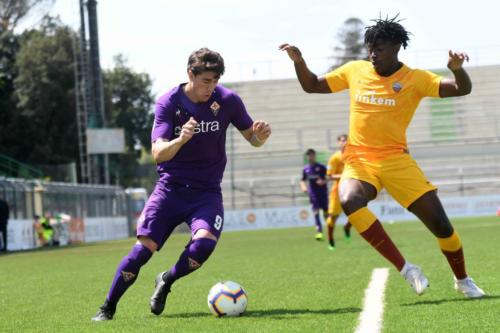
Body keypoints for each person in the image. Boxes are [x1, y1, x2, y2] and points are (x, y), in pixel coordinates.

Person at [280, 15, 484, 298]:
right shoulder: (355, 70)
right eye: (370, 48)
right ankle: (407, 269)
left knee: (441, 225)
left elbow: (462, 88)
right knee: (349, 199)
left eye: (380, 48)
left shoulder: (415, 79)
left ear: (397, 47)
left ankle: (462, 280)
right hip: (360, 161)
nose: (373, 54)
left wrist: (457, 69)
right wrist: (298, 61)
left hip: (397, 161)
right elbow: (312, 84)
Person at [92, 48, 272, 321]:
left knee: (203, 247)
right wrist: (180, 140)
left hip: (207, 193)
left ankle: (166, 280)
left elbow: (253, 139)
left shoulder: (228, 100)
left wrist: (260, 137)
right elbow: (158, 153)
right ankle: (107, 308)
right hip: (170, 190)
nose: (211, 88)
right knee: (142, 251)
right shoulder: (168, 103)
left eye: (215, 81)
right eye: (205, 81)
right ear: (191, 74)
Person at [325, 134, 352, 250]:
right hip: (338, 191)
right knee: (333, 218)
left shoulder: (353, 156)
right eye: (342, 140)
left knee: (358, 214)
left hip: (351, 190)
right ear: (338, 143)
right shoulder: (335, 158)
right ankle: (331, 240)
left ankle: (347, 227)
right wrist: (345, 175)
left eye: (346, 140)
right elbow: (329, 176)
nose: (344, 142)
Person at [300, 149, 328, 241]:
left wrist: (323, 181)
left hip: (323, 194)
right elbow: (302, 180)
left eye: (312, 155)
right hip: (313, 194)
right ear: (307, 157)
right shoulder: (306, 169)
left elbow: (328, 177)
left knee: (326, 213)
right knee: (316, 212)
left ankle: (330, 229)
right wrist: (303, 187)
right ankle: (319, 232)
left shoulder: (321, 167)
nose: (310, 157)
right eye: (309, 155)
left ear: (315, 156)